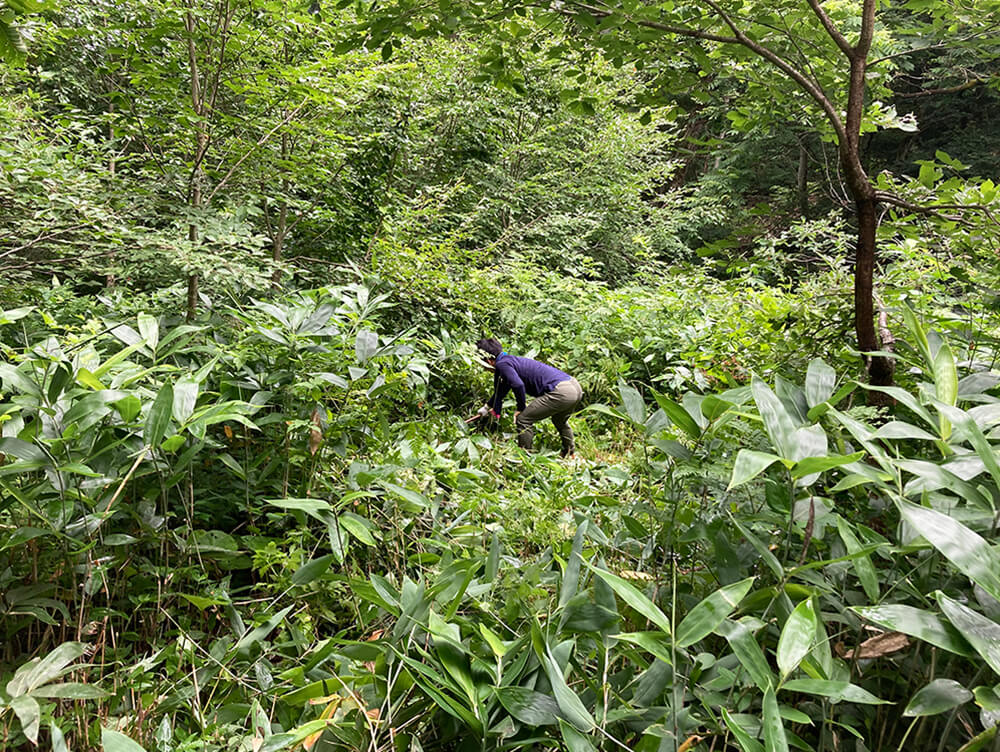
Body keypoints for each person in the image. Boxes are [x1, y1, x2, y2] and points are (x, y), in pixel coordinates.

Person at [474, 337, 583, 457]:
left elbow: (518, 385)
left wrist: (520, 408)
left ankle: (524, 457)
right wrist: (487, 407)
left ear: (489, 361)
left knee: (523, 419)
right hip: (574, 387)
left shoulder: (502, 365)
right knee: (559, 420)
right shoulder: (509, 361)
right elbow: (502, 389)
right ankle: (569, 453)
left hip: (561, 392)